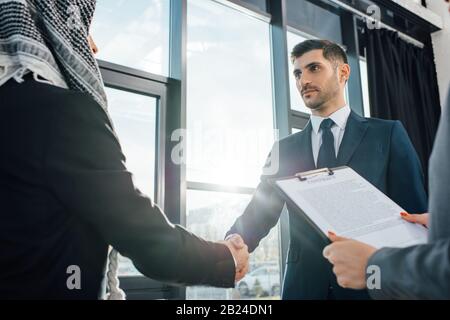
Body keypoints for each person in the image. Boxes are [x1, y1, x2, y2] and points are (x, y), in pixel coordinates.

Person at [0, 0, 248, 299]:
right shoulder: (57, 111)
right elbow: (140, 233)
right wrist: (223, 259)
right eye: (78, 24)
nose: (92, 46)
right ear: (50, 27)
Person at [226, 39, 428, 299]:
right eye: (298, 73)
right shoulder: (283, 149)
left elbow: (414, 214)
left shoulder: (387, 135)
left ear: (343, 73)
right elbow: (259, 211)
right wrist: (233, 244)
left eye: (314, 68)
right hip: (303, 288)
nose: (303, 80)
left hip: (370, 287)